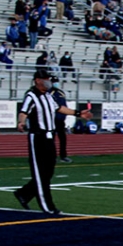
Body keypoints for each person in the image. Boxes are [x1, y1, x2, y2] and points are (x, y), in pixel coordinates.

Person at [14, 69, 91, 214]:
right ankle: (48, 206)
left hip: (50, 137)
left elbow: (60, 108)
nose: (49, 81)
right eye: (45, 79)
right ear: (38, 80)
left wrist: (79, 113)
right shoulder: (31, 96)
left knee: (48, 172)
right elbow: (24, 112)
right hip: (38, 137)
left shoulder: (49, 96)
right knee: (40, 173)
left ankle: (23, 193)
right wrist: (21, 123)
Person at [51, 76, 72, 163]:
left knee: (62, 138)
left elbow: (64, 105)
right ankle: (52, 156)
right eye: (55, 81)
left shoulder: (61, 92)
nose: (56, 83)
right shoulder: (49, 93)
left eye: (57, 81)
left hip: (61, 119)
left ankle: (63, 155)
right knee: (51, 139)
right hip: (52, 119)